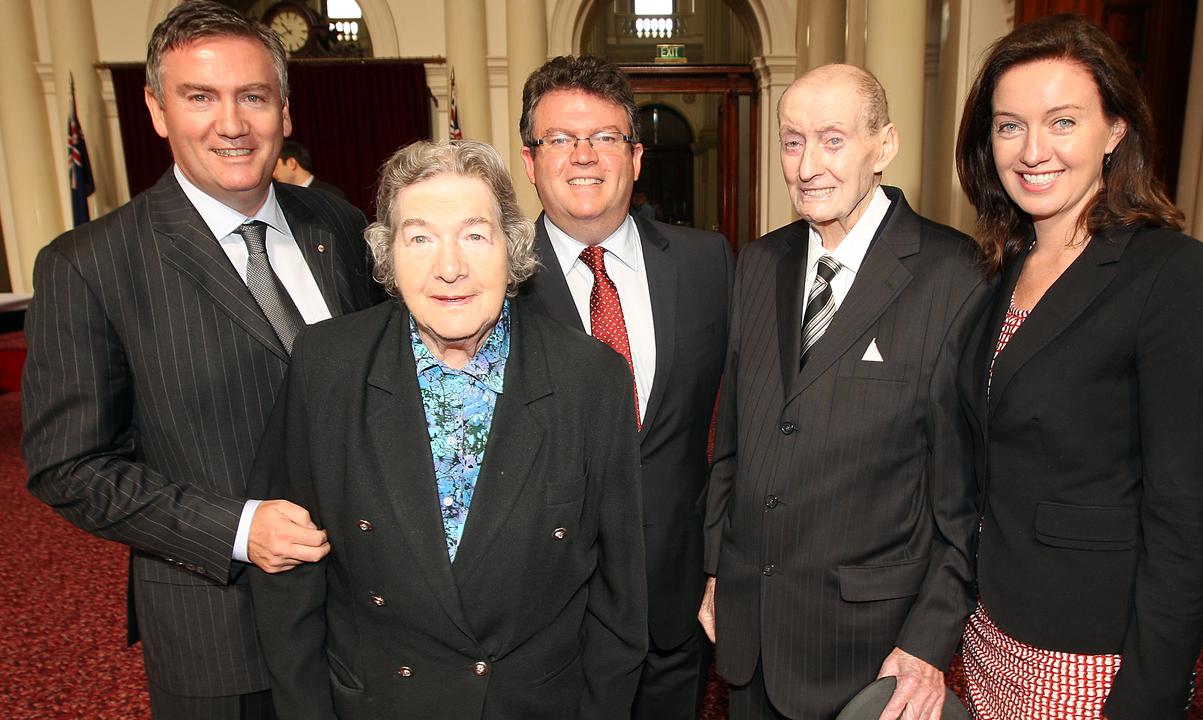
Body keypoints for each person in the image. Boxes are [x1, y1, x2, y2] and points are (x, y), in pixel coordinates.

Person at [21, 3, 375, 717]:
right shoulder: (90, 264)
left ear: (284, 107)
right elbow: (69, 466)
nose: (232, 123)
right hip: (221, 636)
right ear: (156, 110)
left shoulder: (336, 224)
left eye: (253, 96)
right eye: (200, 97)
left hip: (365, 618)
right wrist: (239, 529)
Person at [248, 139, 648, 719]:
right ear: (387, 256)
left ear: (512, 249)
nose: (450, 267)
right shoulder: (326, 366)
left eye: (474, 234)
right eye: (419, 238)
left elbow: (620, 596)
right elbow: (289, 576)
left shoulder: (591, 378)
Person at [953, 13, 1203, 719]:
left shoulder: (1175, 275)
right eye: (1009, 125)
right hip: (989, 626)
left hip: (1090, 652)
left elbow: (1185, 516)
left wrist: (1151, 695)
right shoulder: (999, 270)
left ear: (1115, 131)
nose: (1032, 150)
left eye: (1062, 121)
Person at [700, 63, 988, 720]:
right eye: (792, 141)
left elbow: (964, 500)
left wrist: (926, 641)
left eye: (832, 140)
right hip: (752, 633)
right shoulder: (758, 262)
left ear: (883, 145)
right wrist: (718, 565)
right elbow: (736, 442)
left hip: (868, 650)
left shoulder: (954, 275)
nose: (806, 166)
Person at [517, 55, 733, 720]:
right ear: (530, 162)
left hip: (679, 607)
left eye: (605, 137)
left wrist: (726, 561)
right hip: (548, 618)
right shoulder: (495, 286)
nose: (583, 156)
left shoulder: (709, 263)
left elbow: (743, 428)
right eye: (559, 139)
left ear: (635, 156)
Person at [273, 139, 348, 200]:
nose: (273, 174)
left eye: (275, 166)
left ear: (291, 163)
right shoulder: (281, 199)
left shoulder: (332, 195)